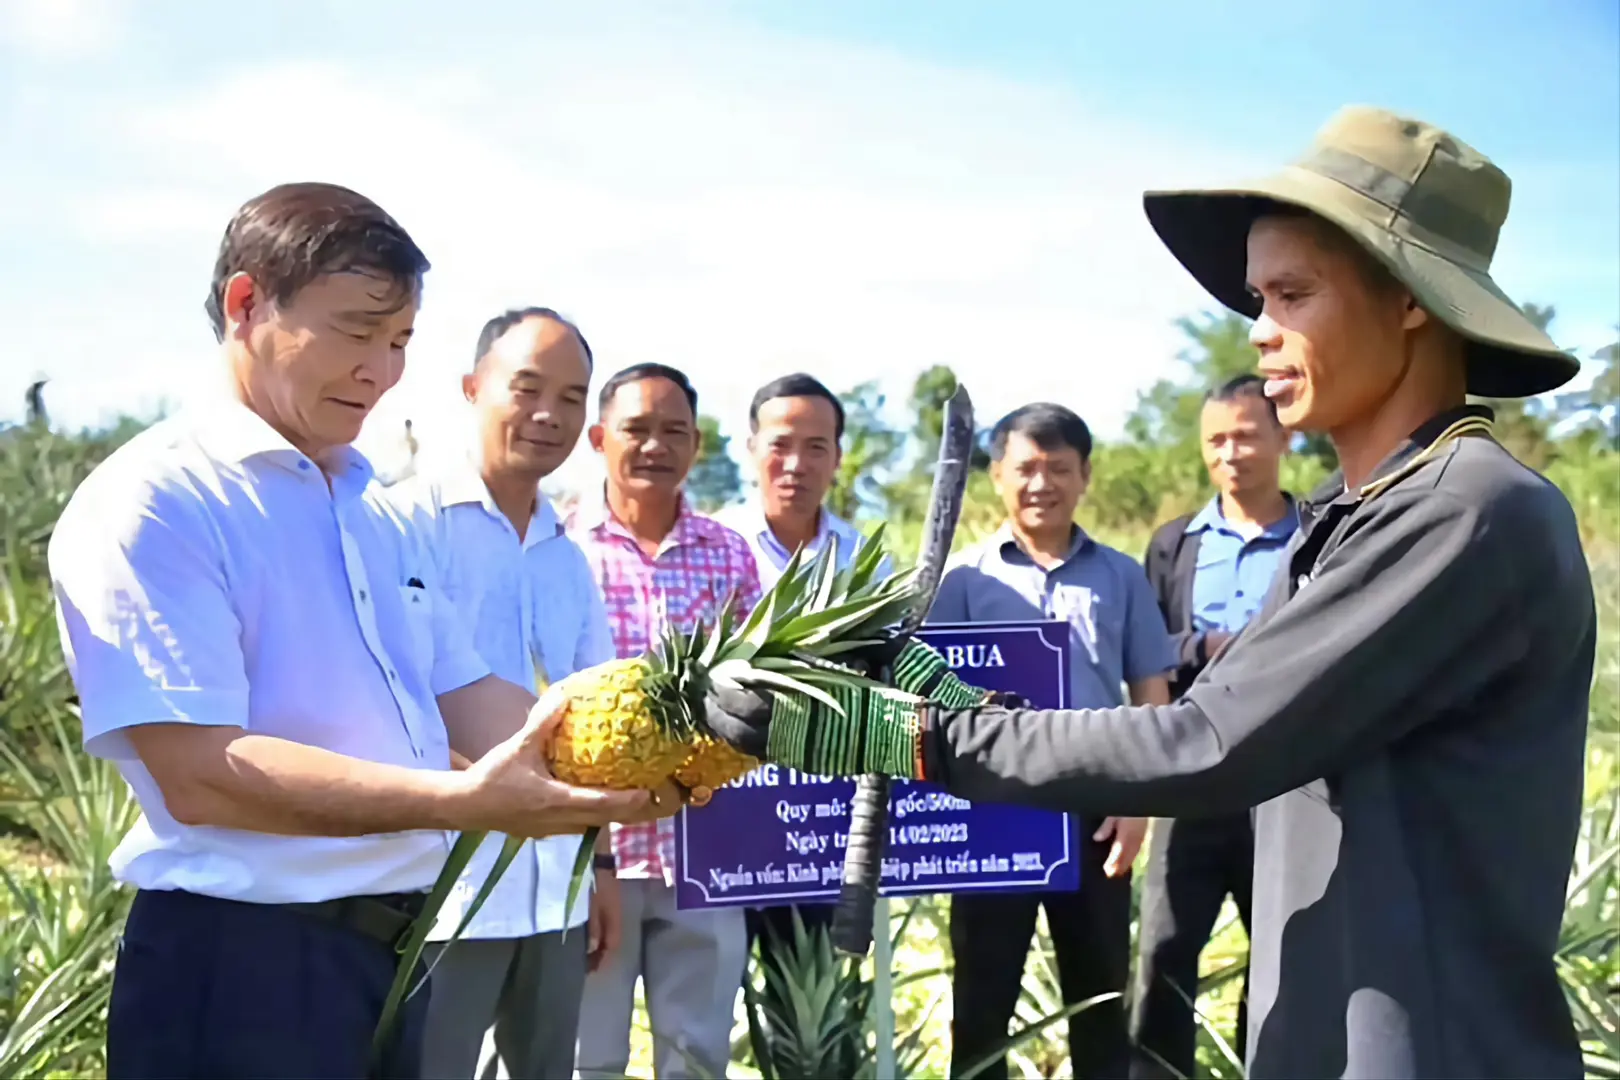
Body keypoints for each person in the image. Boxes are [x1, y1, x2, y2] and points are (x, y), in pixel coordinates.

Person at [700, 106, 1596, 1078]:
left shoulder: (1467, 513)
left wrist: (901, 736)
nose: (1260, 334)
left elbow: (1203, 747)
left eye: (1292, 294)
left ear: (1411, 299)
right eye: (1257, 298)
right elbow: (1216, 714)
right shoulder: (1348, 518)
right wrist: (946, 694)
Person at [46, 182, 684, 1080]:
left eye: (399, 343)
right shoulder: (159, 500)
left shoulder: (369, 513)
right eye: (354, 332)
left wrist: (653, 745)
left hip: (389, 960)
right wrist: (459, 804)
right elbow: (199, 774)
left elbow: (470, 697)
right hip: (241, 972)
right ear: (246, 303)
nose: (381, 373)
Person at [383, 306, 619, 1079]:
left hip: (557, 895)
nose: (549, 414)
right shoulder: (402, 523)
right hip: (444, 893)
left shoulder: (568, 559)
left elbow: (598, 726)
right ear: (472, 387)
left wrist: (604, 870)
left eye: (573, 396)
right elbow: (390, 697)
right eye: (527, 388)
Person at [927, 403, 1173, 1080]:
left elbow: (1153, 692)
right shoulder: (964, 581)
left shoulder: (1120, 575)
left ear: (1085, 475)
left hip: (1097, 810)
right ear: (997, 476)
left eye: (1058, 468)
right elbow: (930, 693)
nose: (1042, 483)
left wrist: (1141, 802)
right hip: (992, 815)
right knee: (982, 1003)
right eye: (1026, 468)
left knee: (1098, 998)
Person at [570, 362, 763, 1080]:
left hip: (706, 853)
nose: (656, 446)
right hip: (593, 856)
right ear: (598, 438)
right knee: (589, 1061)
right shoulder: (561, 546)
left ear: (697, 444)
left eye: (674, 431)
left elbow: (763, 693)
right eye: (637, 430)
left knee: (697, 1058)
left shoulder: (729, 554)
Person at [1129, 372, 1298, 1077]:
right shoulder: (1173, 545)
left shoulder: (1320, 531)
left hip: (1291, 783)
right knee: (1166, 951)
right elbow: (1143, 649)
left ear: (1285, 437)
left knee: (1283, 954)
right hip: (1190, 781)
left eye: (1247, 436)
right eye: (1216, 440)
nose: (1231, 453)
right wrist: (1201, 647)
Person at [714, 372, 878, 1073]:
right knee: (706, 1004)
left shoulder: (866, 559)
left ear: (838, 457)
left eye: (817, 446)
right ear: (751, 449)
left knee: (808, 1013)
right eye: (780, 445)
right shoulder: (713, 546)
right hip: (721, 820)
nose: (797, 464)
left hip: (821, 822)